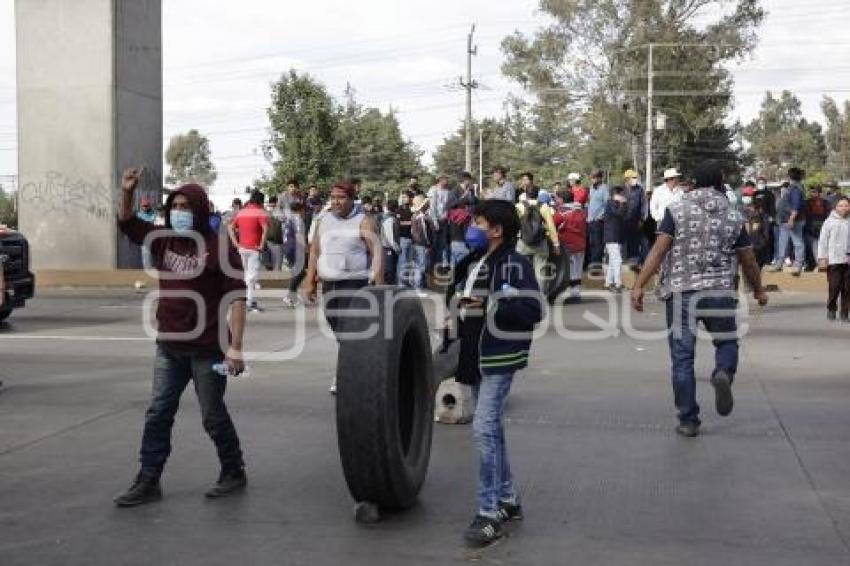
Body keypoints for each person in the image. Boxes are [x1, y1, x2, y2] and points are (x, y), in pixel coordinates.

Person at [113, 168, 248, 507]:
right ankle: (148, 478)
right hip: (169, 346)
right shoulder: (165, 239)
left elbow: (237, 297)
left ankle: (233, 470)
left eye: (187, 206)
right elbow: (127, 223)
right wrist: (127, 191)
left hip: (208, 349)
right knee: (158, 412)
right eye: (175, 205)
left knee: (212, 415)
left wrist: (236, 348)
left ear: (200, 210)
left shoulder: (218, 247)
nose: (180, 211)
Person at [631, 161, 768, 438]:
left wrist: (638, 286)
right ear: (720, 182)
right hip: (719, 291)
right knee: (727, 341)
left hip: (681, 291)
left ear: (693, 182)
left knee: (682, 358)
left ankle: (688, 419)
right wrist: (758, 290)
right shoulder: (732, 215)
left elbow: (658, 250)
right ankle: (723, 373)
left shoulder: (677, 209)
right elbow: (748, 259)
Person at [443, 199, 543, 546]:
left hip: (499, 356)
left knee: (484, 429)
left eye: (479, 223)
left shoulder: (515, 264)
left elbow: (533, 309)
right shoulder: (474, 261)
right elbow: (459, 296)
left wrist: (492, 304)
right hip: (475, 355)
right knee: (492, 428)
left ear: (497, 230)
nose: (473, 228)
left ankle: (488, 514)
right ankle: (508, 499)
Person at [304, 181, 384, 394]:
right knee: (338, 329)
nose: (336, 202)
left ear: (351, 199)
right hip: (330, 284)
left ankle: (345, 375)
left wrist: (379, 286)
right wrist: (309, 281)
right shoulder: (324, 220)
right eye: (333, 197)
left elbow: (376, 252)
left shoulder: (363, 221)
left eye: (341, 198)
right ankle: (355, 367)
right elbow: (314, 252)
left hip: (354, 284)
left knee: (350, 332)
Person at [228, 191, 269, 313]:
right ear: (260, 201)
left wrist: (236, 243)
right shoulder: (259, 212)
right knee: (252, 277)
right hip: (254, 249)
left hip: (242, 248)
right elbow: (265, 228)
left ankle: (244, 299)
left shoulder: (242, 211)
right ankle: (249, 302)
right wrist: (261, 245)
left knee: (245, 275)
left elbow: (230, 227)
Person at [516, 180, 560, 288]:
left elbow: (514, 225)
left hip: (523, 243)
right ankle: (540, 298)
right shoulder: (543, 206)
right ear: (538, 194)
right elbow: (551, 226)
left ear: (526, 194)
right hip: (540, 243)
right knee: (541, 271)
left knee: (523, 270)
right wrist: (556, 244)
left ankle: (525, 296)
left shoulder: (519, 206)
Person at [817, 196, 850, 321]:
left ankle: (845, 313)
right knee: (834, 286)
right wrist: (822, 258)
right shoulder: (829, 222)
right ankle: (831, 308)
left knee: (847, 288)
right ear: (835, 207)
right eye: (841, 205)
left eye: (846, 205)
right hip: (834, 260)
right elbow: (822, 242)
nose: (844, 208)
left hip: (848, 260)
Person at [770, 168, 807, 276]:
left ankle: (798, 265)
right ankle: (779, 263)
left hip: (792, 220)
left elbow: (796, 205)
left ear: (789, 176)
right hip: (785, 220)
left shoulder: (795, 188)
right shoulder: (794, 187)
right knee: (782, 242)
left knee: (797, 242)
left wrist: (791, 219)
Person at [553, 192, 587, 302]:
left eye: (558, 198)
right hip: (581, 244)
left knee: (569, 270)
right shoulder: (581, 211)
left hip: (568, 245)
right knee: (577, 269)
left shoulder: (563, 212)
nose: (557, 201)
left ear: (562, 200)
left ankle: (572, 295)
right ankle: (576, 294)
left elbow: (553, 222)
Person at [427, 173, 458, 272]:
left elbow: (448, 206)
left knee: (443, 245)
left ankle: (441, 266)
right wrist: (435, 222)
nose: (447, 181)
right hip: (436, 220)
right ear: (440, 179)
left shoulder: (448, 191)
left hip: (445, 221)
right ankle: (433, 266)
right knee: (435, 244)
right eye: (445, 179)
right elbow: (432, 207)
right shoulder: (434, 190)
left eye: (447, 179)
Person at [282, 202, 308, 307]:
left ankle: (292, 296)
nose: (305, 213)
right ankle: (290, 296)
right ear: (300, 210)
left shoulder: (289, 219)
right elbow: (299, 234)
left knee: (299, 272)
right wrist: (305, 248)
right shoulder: (297, 219)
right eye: (304, 210)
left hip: (288, 247)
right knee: (300, 272)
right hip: (295, 248)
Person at [409, 195, 436, 291]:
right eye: (426, 204)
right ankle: (417, 288)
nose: (428, 205)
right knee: (420, 267)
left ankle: (421, 286)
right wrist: (424, 244)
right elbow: (416, 234)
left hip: (424, 245)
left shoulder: (425, 217)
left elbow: (432, 229)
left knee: (423, 267)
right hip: (420, 245)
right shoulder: (416, 217)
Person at [603, 186, 627, 292]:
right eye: (620, 194)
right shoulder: (610, 204)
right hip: (611, 236)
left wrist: (623, 204)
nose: (622, 195)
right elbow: (618, 213)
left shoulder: (617, 204)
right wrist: (622, 203)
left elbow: (623, 213)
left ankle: (608, 283)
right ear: (614, 195)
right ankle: (618, 283)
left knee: (613, 261)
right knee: (617, 260)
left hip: (617, 236)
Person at [622, 169, 648, 267]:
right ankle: (625, 262)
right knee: (625, 242)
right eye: (633, 178)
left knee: (636, 242)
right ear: (627, 179)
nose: (635, 179)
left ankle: (635, 262)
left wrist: (642, 219)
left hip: (637, 220)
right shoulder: (621, 190)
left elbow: (644, 205)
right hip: (624, 221)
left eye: (635, 177)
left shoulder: (640, 189)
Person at [743, 186, 772, 269]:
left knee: (754, 268)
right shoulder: (743, 212)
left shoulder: (759, 215)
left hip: (756, 247)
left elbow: (757, 232)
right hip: (754, 246)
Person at [587, 169, 610, 265]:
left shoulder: (604, 188)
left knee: (598, 243)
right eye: (592, 177)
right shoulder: (591, 188)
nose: (593, 179)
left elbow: (608, 204)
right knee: (591, 243)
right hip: (590, 220)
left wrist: (602, 216)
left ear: (600, 178)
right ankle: (593, 262)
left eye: (595, 177)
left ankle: (596, 263)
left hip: (598, 221)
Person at [805, 185, 830, 271]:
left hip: (817, 227)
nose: (812, 193)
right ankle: (817, 264)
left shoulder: (824, 202)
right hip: (813, 226)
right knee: (814, 246)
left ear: (819, 193)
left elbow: (828, 214)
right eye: (811, 192)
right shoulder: (808, 202)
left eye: (814, 191)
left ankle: (819, 264)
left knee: (816, 245)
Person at [381, 201, 401, 285]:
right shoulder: (390, 219)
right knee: (390, 271)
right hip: (389, 248)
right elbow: (390, 237)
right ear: (395, 208)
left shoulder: (389, 217)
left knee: (391, 270)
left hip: (388, 248)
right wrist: (397, 248)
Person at [397, 191, 414, 287]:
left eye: (405, 197)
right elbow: (398, 223)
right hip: (403, 239)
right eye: (402, 197)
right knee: (402, 262)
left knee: (410, 263)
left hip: (412, 239)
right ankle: (401, 284)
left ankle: (408, 282)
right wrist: (411, 223)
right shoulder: (399, 210)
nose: (403, 199)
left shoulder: (413, 209)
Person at [448, 201, 473, 267]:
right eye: (467, 206)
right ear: (464, 206)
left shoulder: (451, 216)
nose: (468, 207)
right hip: (462, 243)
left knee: (453, 266)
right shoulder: (464, 216)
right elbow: (466, 233)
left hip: (452, 243)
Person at [265, 195, 286, 273]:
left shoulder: (265, 210)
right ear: (276, 202)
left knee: (272, 259)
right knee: (278, 260)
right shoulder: (279, 210)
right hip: (277, 238)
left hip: (267, 238)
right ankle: (276, 274)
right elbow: (284, 219)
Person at [137, 197, 157, 270]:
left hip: (155, 238)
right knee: (146, 259)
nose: (145, 207)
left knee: (157, 257)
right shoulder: (138, 215)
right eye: (144, 206)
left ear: (150, 205)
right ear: (141, 206)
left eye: (147, 205)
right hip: (145, 239)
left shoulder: (154, 214)